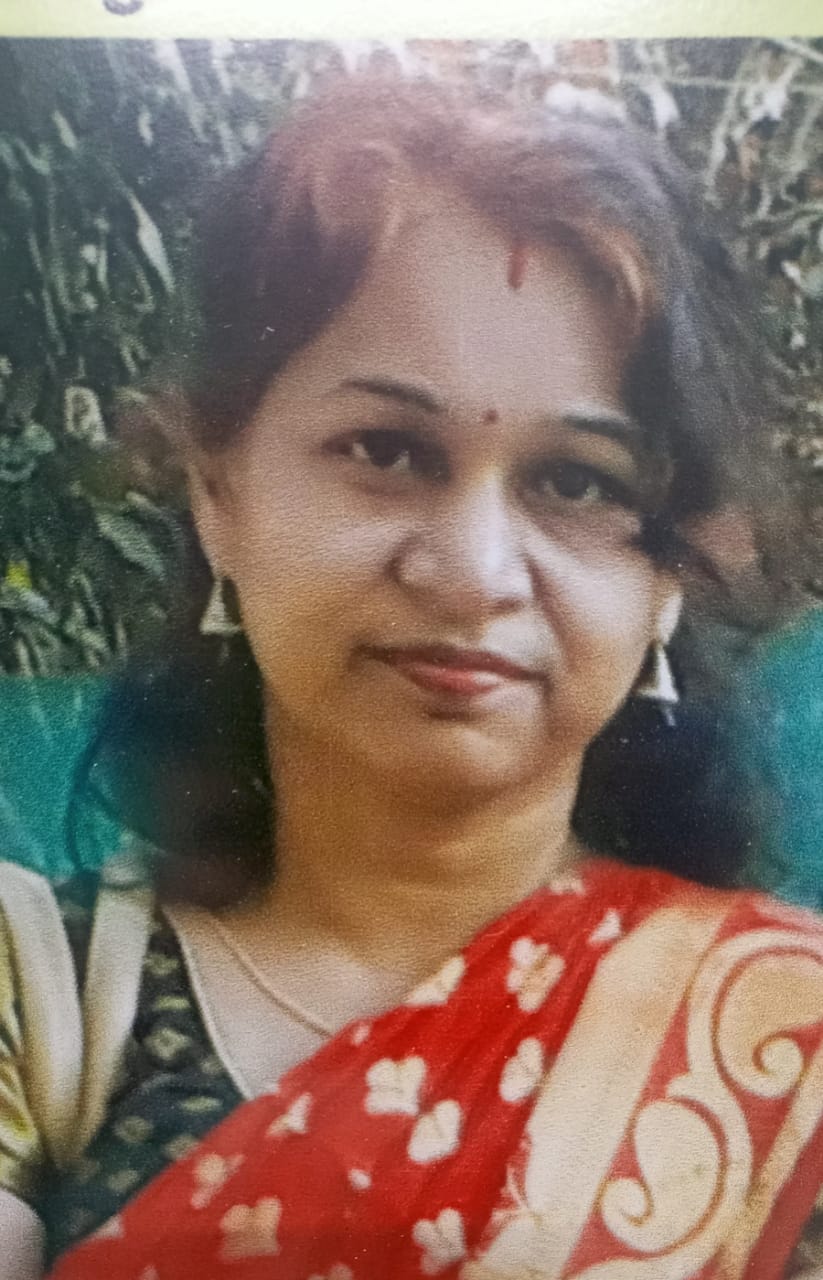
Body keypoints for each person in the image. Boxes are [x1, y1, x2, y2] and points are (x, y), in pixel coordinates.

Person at [0, 76, 821, 1280]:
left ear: (667, 578)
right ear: (217, 492)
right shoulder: (39, 996)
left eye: (577, 480)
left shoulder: (778, 1045)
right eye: (386, 450)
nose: (473, 572)